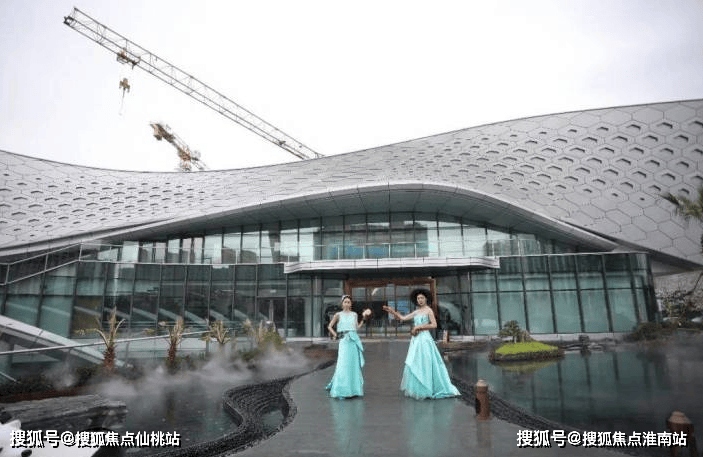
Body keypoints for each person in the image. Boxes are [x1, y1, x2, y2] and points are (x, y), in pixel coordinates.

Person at [383, 288, 459, 399]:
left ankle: (429, 387)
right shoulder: (417, 311)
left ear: (426, 299)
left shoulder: (429, 310)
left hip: (425, 339)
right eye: (418, 298)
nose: (420, 300)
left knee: (426, 361)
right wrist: (392, 311)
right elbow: (403, 318)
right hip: (416, 340)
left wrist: (419, 327)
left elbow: (434, 325)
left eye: (422, 298)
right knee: (416, 361)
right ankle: (420, 388)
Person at [326, 295, 370, 398]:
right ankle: (341, 390)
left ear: (351, 304)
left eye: (348, 302)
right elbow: (330, 326)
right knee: (343, 364)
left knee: (353, 365)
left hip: (353, 341)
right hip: (344, 341)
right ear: (342, 303)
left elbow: (356, 327)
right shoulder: (338, 315)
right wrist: (336, 335)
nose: (347, 304)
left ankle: (354, 390)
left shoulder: (354, 314)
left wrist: (363, 319)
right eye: (345, 302)